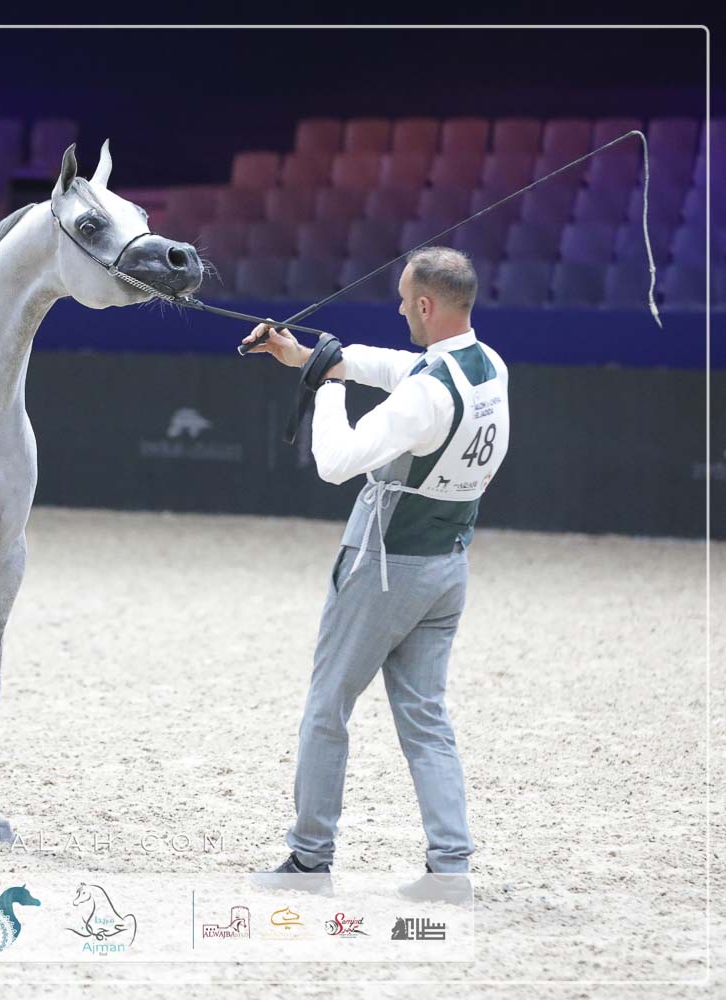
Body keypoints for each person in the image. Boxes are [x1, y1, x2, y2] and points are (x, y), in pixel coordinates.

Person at [243, 246, 510, 899]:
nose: (398, 309)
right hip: (447, 566)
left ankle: (310, 860)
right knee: (426, 718)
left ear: (426, 304)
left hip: (385, 567)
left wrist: (326, 386)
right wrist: (314, 356)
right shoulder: (487, 365)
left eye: (403, 300)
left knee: (326, 707)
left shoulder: (426, 395)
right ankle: (450, 867)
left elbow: (336, 462)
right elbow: (401, 367)